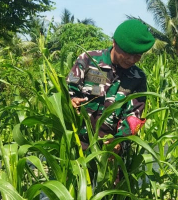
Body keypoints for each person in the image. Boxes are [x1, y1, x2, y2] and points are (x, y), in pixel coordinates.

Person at [66, 19, 155, 152]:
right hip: (78, 147)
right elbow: (67, 90)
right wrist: (72, 101)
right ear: (114, 43)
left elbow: (134, 116)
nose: (131, 60)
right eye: (127, 54)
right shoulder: (88, 60)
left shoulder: (138, 77)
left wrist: (119, 141)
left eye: (137, 56)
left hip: (111, 152)